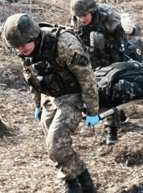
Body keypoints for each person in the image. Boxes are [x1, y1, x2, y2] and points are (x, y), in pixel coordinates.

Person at [2, 13, 100, 193]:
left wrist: (93, 110)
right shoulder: (26, 50)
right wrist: (37, 105)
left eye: (24, 44)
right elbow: (31, 78)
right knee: (52, 146)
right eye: (17, 47)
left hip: (73, 94)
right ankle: (83, 181)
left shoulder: (63, 43)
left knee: (56, 143)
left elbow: (86, 76)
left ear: (33, 35)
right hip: (50, 96)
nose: (21, 49)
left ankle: (72, 183)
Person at [70, 0, 142, 145]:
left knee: (108, 89)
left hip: (114, 56)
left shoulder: (108, 15)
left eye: (85, 15)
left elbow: (135, 28)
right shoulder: (76, 19)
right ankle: (117, 114)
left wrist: (131, 29)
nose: (82, 19)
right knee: (98, 88)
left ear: (92, 10)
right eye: (79, 16)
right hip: (94, 59)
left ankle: (111, 128)